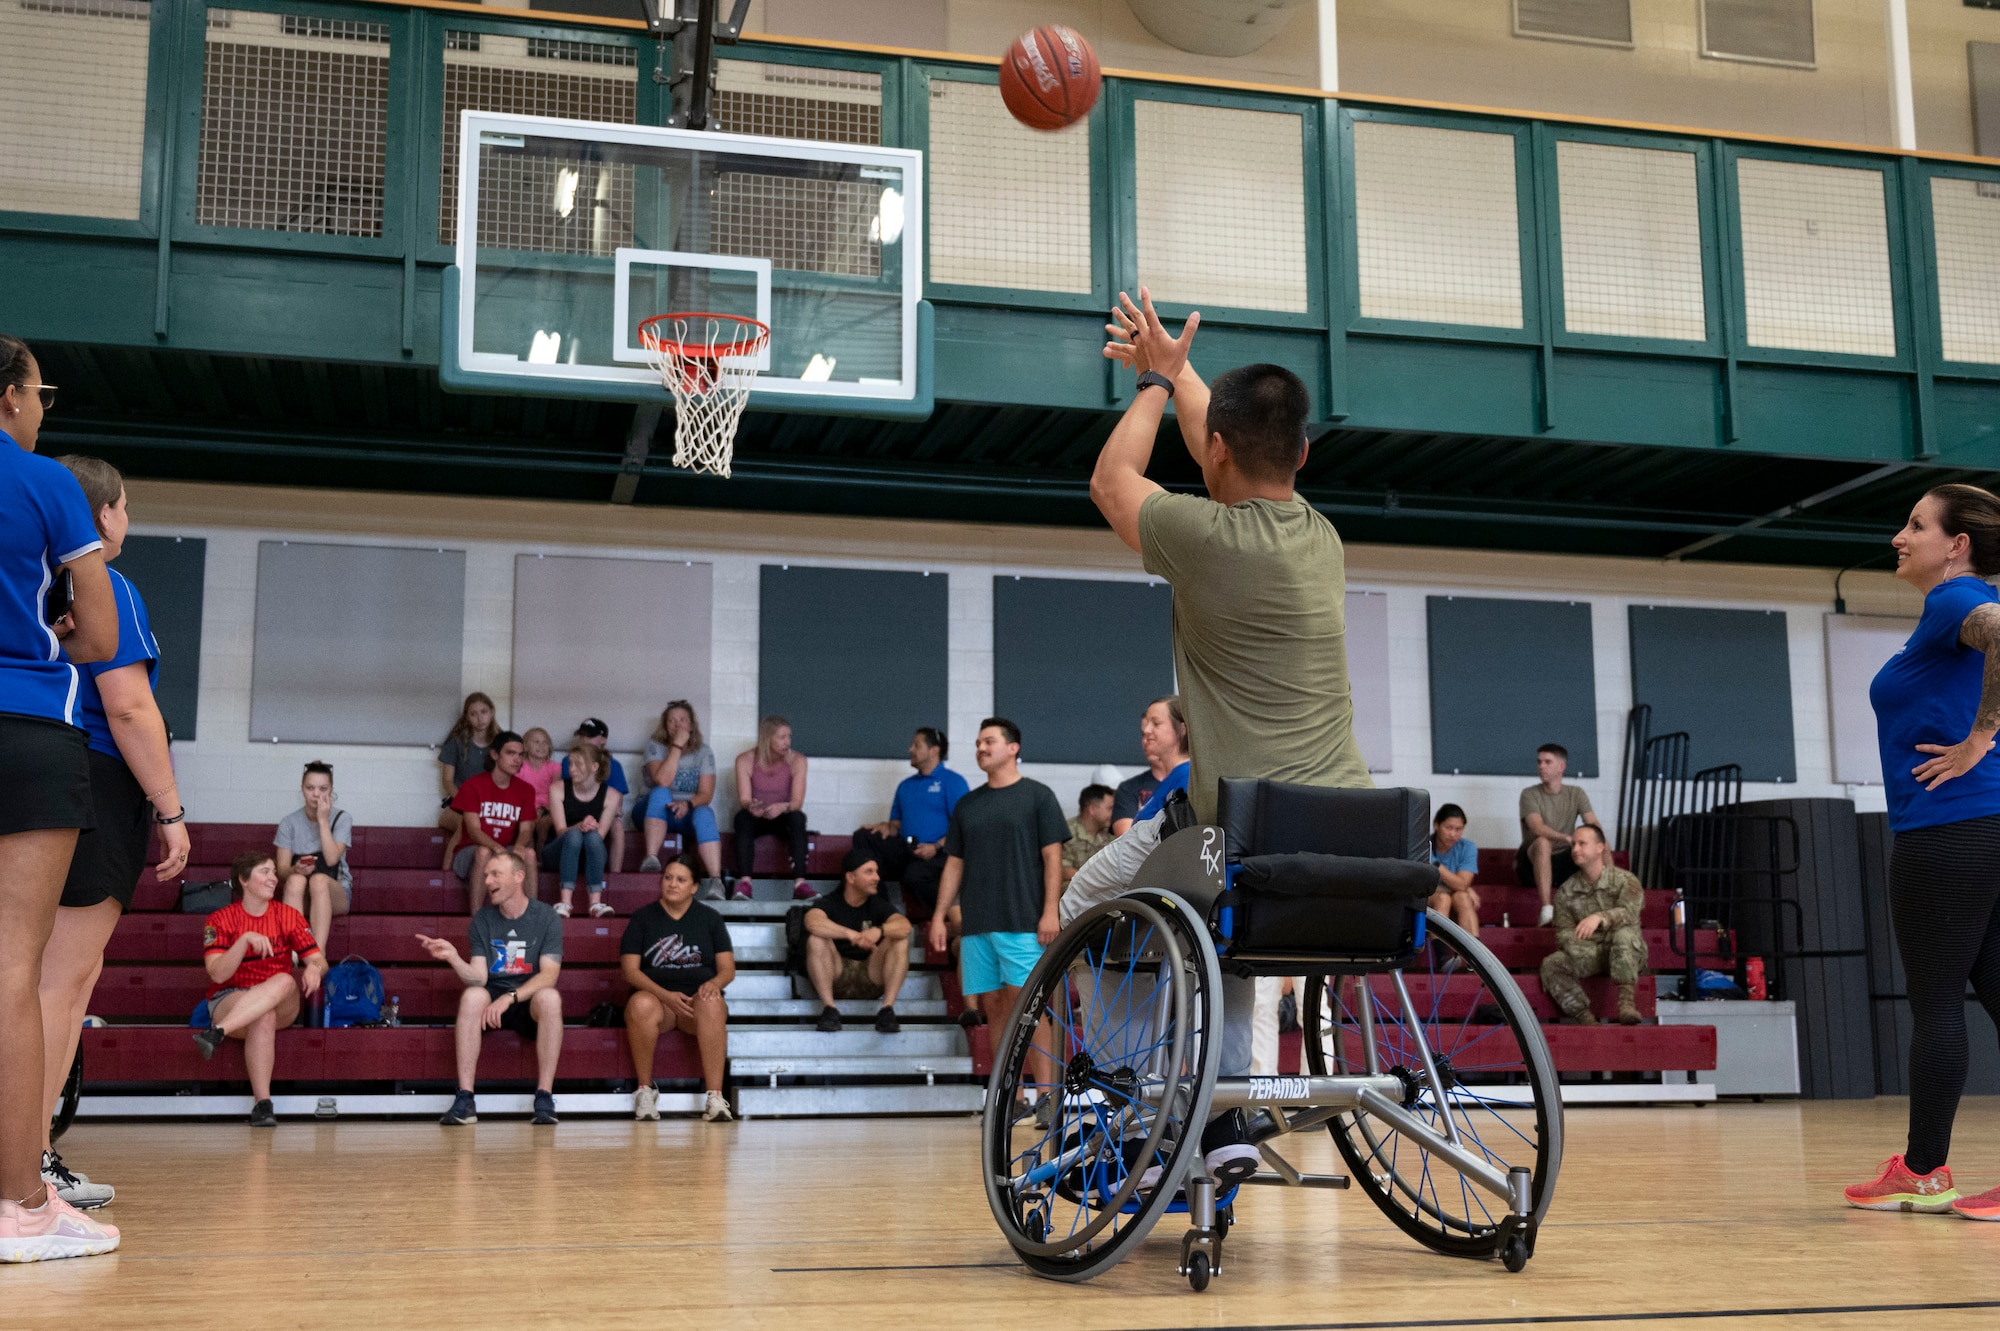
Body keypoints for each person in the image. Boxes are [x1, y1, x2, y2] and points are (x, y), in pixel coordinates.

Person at [1071, 289, 1374, 1185]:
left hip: (1235, 834)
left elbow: (1109, 482)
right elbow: (1236, 441)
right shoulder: (1321, 536)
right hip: (1348, 835)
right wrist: (1180, 366)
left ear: (1213, 451)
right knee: (1227, 936)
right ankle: (1227, 1114)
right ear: (1305, 454)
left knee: (1090, 898)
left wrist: (1156, 389)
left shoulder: (1202, 535)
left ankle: (1130, 1098)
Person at [36, 453, 187, 1213]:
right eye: (125, 505)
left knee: (46, 979)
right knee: (60, 984)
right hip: (92, 781)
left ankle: (29, 1157)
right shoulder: (107, 586)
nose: (128, 518)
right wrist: (170, 808)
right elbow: (128, 708)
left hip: (43, 777)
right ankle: (25, 1166)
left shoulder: (29, 587)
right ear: (104, 515)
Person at [1845, 484, 2000, 1220]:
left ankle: (1923, 1169)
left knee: (1937, 1002)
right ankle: (1923, 1165)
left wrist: (1979, 739)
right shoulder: (1946, 613)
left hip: (1947, 831)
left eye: (1916, 525)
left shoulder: (1954, 598)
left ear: (1957, 543)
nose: (1900, 536)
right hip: (1986, 828)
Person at [0, 334, 123, 1263]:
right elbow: (98, 634)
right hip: (30, 729)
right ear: (10, 399)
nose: (44, 408)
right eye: (39, 391)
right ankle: (21, 1205)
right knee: (13, 971)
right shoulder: (46, 484)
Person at [926, 719, 1068, 1106]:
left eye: (989, 741)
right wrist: (940, 915)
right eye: (977, 743)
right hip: (978, 924)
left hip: (1023, 920)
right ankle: (1012, 1095)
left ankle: (1047, 1096)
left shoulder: (1038, 796)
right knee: (995, 1009)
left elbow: (1053, 857)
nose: (981, 748)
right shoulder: (968, 804)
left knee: (1030, 1007)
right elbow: (954, 864)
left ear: (1013, 747)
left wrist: (1050, 910)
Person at [419, 850, 563, 1126]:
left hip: (526, 1001)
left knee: (550, 998)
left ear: (519, 877)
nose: (487, 880)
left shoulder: (546, 917)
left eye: (495, 874)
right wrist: (453, 958)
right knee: (473, 996)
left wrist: (509, 998)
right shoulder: (483, 919)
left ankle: (544, 1096)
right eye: (486, 874)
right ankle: (465, 1098)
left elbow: (549, 976)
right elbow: (478, 978)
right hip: (492, 1001)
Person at [191, 852, 329, 1126]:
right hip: (230, 997)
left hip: (282, 1000)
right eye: (265, 872)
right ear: (243, 880)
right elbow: (217, 973)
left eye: (274, 873)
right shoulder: (220, 919)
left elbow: (318, 958)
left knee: (286, 980)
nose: (273, 878)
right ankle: (263, 1105)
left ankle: (217, 1033)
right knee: (263, 1015)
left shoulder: (287, 915)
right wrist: (243, 941)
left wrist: (314, 967)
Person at [620, 857, 734, 1122]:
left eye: (681, 880)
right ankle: (645, 1092)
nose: (672, 884)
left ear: (695, 887)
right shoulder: (642, 918)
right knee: (640, 1004)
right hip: (658, 1003)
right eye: (668, 877)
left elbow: (728, 969)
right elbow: (630, 971)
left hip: (695, 1006)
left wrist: (713, 983)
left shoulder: (710, 918)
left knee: (712, 1000)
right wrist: (665, 996)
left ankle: (715, 1097)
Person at [851, 727, 966, 917]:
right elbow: (896, 826)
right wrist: (885, 827)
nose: (910, 749)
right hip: (908, 848)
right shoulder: (906, 786)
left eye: (916, 745)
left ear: (934, 750)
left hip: (939, 853)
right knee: (863, 837)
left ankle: (951, 915)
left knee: (914, 876)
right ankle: (881, 908)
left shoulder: (952, 782)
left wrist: (936, 847)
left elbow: (962, 827)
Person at [1537, 824, 1644, 1027]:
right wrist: (1576, 945)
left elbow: (1630, 913)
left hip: (1626, 952)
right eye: (1574, 844)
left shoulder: (1625, 881)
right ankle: (1586, 1019)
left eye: (1582, 844)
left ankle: (1626, 1005)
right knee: (1552, 964)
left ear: (1599, 847)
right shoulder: (1566, 891)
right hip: (1590, 953)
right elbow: (1563, 932)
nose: (1575, 849)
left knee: (1623, 935)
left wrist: (1600, 917)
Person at [805, 846, 911, 1034]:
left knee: (899, 939)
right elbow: (812, 922)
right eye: (869, 872)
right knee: (816, 939)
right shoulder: (830, 903)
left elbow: (905, 926)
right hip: (836, 975)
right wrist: (850, 934)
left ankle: (887, 1010)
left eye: (876, 872)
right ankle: (829, 1009)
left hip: (871, 976)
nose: (876, 878)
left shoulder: (878, 904)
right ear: (851, 877)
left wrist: (880, 931)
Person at [639, 701, 722, 895]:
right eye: (672, 721)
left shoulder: (703, 751)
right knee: (661, 792)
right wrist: (676, 746)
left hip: (685, 810)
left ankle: (716, 881)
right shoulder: (655, 746)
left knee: (704, 813)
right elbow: (662, 780)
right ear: (665, 726)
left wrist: (687, 804)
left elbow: (706, 794)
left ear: (692, 725)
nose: (677, 725)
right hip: (653, 810)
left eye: (683, 720)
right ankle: (651, 857)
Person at [448, 731, 534, 915]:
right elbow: (473, 831)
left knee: (529, 854)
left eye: (521, 755)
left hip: (504, 849)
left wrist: (519, 845)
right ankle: (476, 916)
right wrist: (498, 848)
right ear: (495, 754)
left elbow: (527, 829)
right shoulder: (473, 785)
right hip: (470, 850)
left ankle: (530, 916)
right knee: (484, 851)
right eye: (511, 753)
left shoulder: (526, 790)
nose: (517, 759)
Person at [1518, 743, 1601, 927]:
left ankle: (1611, 889)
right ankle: (1547, 909)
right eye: (1539, 762)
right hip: (1531, 862)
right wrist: (1566, 838)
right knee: (1542, 842)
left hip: (1564, 860)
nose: (1541, 766)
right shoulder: (1529, 794)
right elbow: (1537, 827)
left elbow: (1593, 823)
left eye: (1547, 762)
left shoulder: (1576, 793)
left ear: (1561, 767)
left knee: (1598, 840)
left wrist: (1596, 841)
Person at [732, 715, 811, 900]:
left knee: (798, 817)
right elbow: (744, 799)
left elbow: (797, 803)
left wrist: (781, 807)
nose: (787, 742)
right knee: (741, 818)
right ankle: (745, 884)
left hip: (783, 815)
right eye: (782, 737)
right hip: (758, 815)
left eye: (789, 737)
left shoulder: (798, 760)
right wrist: (753, 806)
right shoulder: (745, 759)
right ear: (768, 738)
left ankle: (800, 883)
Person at [275, 761, 351, 948]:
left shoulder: (342, 818)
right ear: (302, 789)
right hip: (301, 895)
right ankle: (292, 951)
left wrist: (323, 820)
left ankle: (317, 955)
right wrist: (296, 869)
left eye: (323, 788)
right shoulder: (288, 822)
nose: (316, 794)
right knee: (295, 880)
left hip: (335, 892)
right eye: (310, 788)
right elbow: (282, 871)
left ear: (331, 790)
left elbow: (332, 859)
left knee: (318, 880)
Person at [542, 742, 621, 918]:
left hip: (588, 855)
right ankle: (565, 902)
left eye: (578, 764)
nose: (572, 769)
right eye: (570, 764)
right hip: (558, 851)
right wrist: (579, 826)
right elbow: (561, 830)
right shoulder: (557, 789)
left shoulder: (612, 795)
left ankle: (595, 903)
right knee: (574, 835)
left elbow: (599, 838)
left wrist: (589, 827)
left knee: (593, 837)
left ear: (594, 767)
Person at [1112, 696, 1190, 836]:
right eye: (1146, 724)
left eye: (1156, 723)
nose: (1147, 730)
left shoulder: (1187, 776)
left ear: (1182, 729)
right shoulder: (1173, 778)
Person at [435, 692, 497, 869]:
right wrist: (466, 802)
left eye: (483, 711)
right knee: (466, 824)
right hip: (457, 806)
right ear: (467, 717)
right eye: (473, 713)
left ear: (491, 712)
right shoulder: (456, 743)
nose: (480, 718)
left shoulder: (500, 743)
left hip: (489, 807)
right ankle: (445, 874)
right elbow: (447, 781)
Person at [564, 718, 629, 873]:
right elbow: (567, 791)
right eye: (582, 735)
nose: (585, 740)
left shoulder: (614, 765)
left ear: (603, 740)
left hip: (602, 813)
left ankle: (615, 875)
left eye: (590, 736)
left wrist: (612, 810)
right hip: (575, 812)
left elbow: (618, 800)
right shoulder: (568, 761)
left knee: (618, 826)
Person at [1428, 802, 1480, 938]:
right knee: (1443, 899)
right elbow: (1421, 885)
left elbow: (1462, 884)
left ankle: (1473, 957)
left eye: (1458, 829)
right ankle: (1443, 958)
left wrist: (1435, 865)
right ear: (1436, 825)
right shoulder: (1423, 845)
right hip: (1429, 897)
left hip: (1454, 897)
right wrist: (1462, 887)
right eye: (1449, 828)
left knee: (1463, 897)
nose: (1453, 834)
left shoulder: (1467, 847)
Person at [516, 727, 561, 863]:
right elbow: (517, 793)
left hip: (548, 807)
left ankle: (541, 860)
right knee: (528, 826)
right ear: (526, 746)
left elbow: (556, 793)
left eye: (545, 742)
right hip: (525, 807)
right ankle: (528, 860)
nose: (541, 746)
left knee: (544, 825)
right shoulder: (520, 767)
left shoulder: (554, 767)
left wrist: (544, 808)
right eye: (536, 742)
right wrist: (531, 810)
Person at [1060, 784, 1117, 887]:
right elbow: (1062, 870)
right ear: (1092, 809)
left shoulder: (1111, 835)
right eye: (1110, 808)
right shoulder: (1066, 832)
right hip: (1072, 892)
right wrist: (1093, 880)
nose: (1114, 813)